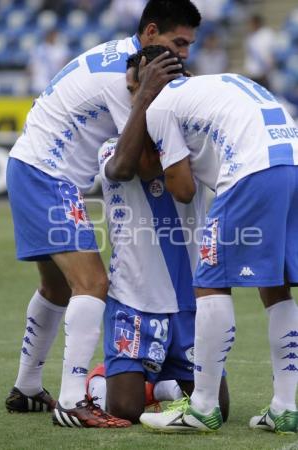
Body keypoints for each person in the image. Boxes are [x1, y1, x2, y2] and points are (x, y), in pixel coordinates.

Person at [5, 0, 201, 429]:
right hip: (49, 175)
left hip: (32, 166)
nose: (184, 53)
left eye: (189, 44)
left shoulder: (121, 57)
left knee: (57, 289)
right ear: (151, 33)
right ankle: (75, 400)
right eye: (178, 42)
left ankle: (28, 387)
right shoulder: (129, 78)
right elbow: (140, 160)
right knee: (92, 283)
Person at [126, 45, 298, 434]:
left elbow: (183, 189)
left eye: (131, 88)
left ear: (147, 81)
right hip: (291, 163)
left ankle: (202, 407)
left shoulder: (160, 106)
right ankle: (285, 407)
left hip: (250, 171)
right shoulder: (217, 83)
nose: (130, 99)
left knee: (209, 280)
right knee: (276, 287)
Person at [84, 133, 229, 424]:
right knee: (126, 410)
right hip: (133, 297)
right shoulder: (113, 148)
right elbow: (132, 168)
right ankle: (99, 380)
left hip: (189, 298)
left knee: (219, 411)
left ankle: (162, 385)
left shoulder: (193, 143)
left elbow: (196, 185)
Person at [28, 29, 69, 96]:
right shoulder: (38, 49)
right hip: (39, 83)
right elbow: (31, 66)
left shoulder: (61, 50)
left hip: (55, 84)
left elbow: (65, 66)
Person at [243, 14, 275, 90]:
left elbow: (271, 54)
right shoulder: (249, 36)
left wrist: (267, 70)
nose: (249, 26)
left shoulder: (267, 34)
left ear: (257, 23)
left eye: (250, 23)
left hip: (264, 74)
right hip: (252, 74)